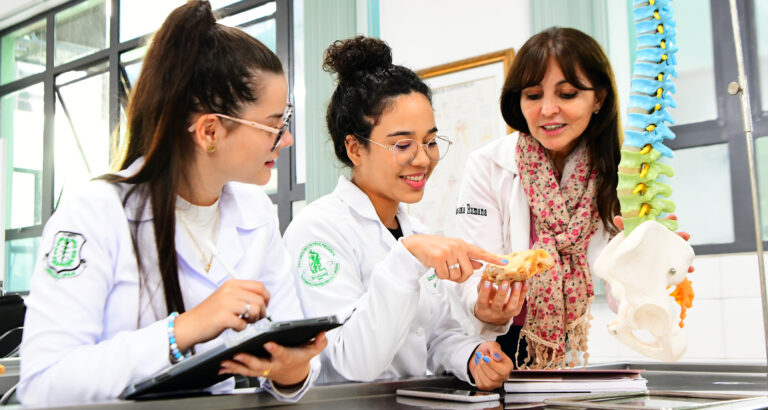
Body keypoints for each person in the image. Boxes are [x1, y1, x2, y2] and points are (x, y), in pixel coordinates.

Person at [18, 2, 325, 405]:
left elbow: (291, 355)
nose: (285, 140)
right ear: (210, 131)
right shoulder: (95, 212)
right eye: (274, 125)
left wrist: (291, 371)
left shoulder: (255, 214)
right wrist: (182, 331)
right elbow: (44, 385)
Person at [282, 36, 519, 390]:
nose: (423, 159)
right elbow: (353, 361)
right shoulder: (317, 231)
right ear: (355, 148)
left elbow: (437, 336)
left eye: (431, 142)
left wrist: (474, 357)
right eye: (403, 145)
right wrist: (407, 260)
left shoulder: (415, 230)